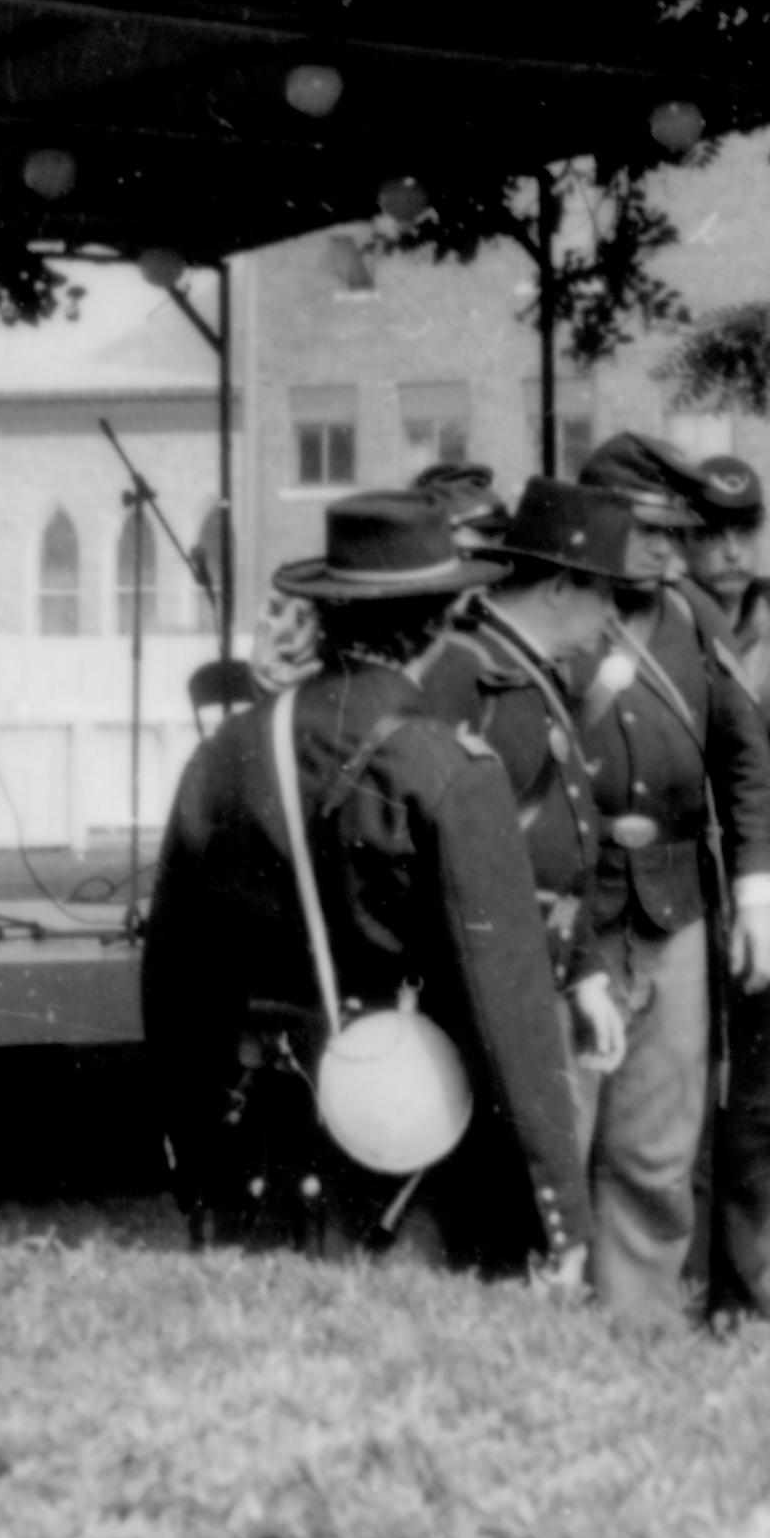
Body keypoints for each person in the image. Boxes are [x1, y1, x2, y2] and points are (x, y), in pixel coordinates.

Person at [142, 490, 619, 1278]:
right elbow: (510, 1010)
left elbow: (175, 976)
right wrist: (557, 1214)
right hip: (411, 1143)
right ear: (441, 621)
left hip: (258, 1137)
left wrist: (197, 1162)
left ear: (328, 612)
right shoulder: (448, 770)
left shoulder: (226, 751)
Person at [564, 432, 770, 1327]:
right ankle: (547, 1327)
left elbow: (746, 759)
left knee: (659, 1143)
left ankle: (643, 1322)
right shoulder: (548, 606)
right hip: (573, 902)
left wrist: (761, 895)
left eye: (678, 531)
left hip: (673, 903)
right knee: (564, 1127)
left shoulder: (689, 615)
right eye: (650, 530)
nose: (669, 549)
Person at [673, 452, 770, 1325]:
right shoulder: (662, 622)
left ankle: (753, 1299)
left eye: (744, 532)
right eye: (708, 534)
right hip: (688, 895)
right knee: (682, 1109)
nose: (730, 551)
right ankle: (681, 1289)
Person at [417, 475, 611, 994]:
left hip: (539, 966)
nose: (612, 617)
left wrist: (585, 972)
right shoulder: (464, 670)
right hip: (482, 983)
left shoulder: (527, 669)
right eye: (606, 595)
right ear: (559, 587)